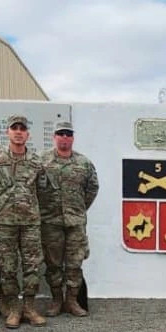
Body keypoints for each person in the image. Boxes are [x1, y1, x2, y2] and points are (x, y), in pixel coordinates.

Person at [0, 115, 47, 329]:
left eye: (22, 129)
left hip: (29, 222)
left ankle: (29, 306)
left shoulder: (37, 162)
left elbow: (44, 190)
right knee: (6, 267)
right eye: (14, 128)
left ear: (28, 134)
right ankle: (13, 308)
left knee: (32, 266)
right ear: (7, 132)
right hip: (3, 223)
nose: (18, 132)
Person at [38, 121, 99, 317]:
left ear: (72, 138)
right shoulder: (41, 161)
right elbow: (34, 188)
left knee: (75, 264)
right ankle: (57, 300)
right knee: (53, 264)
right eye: (60, 134)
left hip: (75, 223)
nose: (64, 137)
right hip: (50, 222)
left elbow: (92, 188)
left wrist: (79, 209)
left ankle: (72, 301)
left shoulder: (84, 163)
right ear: (54, 137)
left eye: (68, 134)